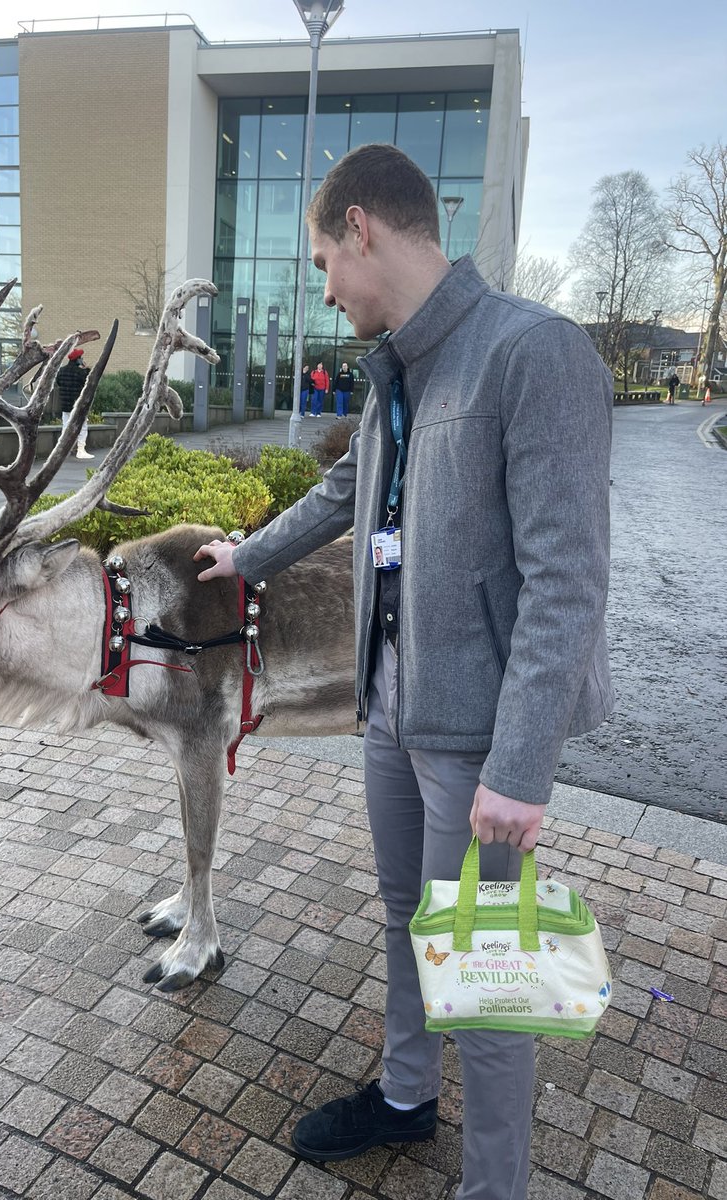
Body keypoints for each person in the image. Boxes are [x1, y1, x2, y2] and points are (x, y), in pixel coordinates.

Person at [195, 142, 613, 1200]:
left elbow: (567, 581)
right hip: (390, 707)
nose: (326, 291)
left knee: (487, 977)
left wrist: (522, 766)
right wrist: (247, 557)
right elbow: (345, 502)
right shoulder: (399, 367)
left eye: (324, 264)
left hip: (479, 742)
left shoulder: (533, 350)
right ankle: (403, 1093)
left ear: (362, 229)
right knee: (401, 916)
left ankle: (494, 1187)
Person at [56, 347, 93, 459]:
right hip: (78, 405)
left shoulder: (61, 371)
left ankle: (63, 450)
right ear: (78, 360)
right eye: (80, 358)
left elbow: (58, 383)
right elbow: (89, 382)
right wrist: (87, 369)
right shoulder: (80, 372)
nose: (82, 359)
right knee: (82, 426)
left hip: (65, 405)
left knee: (66, 426)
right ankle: (80, 450)